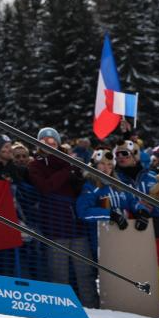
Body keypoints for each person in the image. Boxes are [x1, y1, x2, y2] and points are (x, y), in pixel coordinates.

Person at [28, 126, 98, 308]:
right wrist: (67, 169)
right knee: (59, 274)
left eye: (53, 142)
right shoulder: (35, 165)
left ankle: (92, 307)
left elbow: (79, 189)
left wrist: (78, 174)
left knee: (85, 272)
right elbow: (46, 187)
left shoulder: (68, 161)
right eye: (44, 142)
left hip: (76, 226)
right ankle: (61, 308)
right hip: (55, 227)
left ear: (58, 144)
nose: (49, 145)